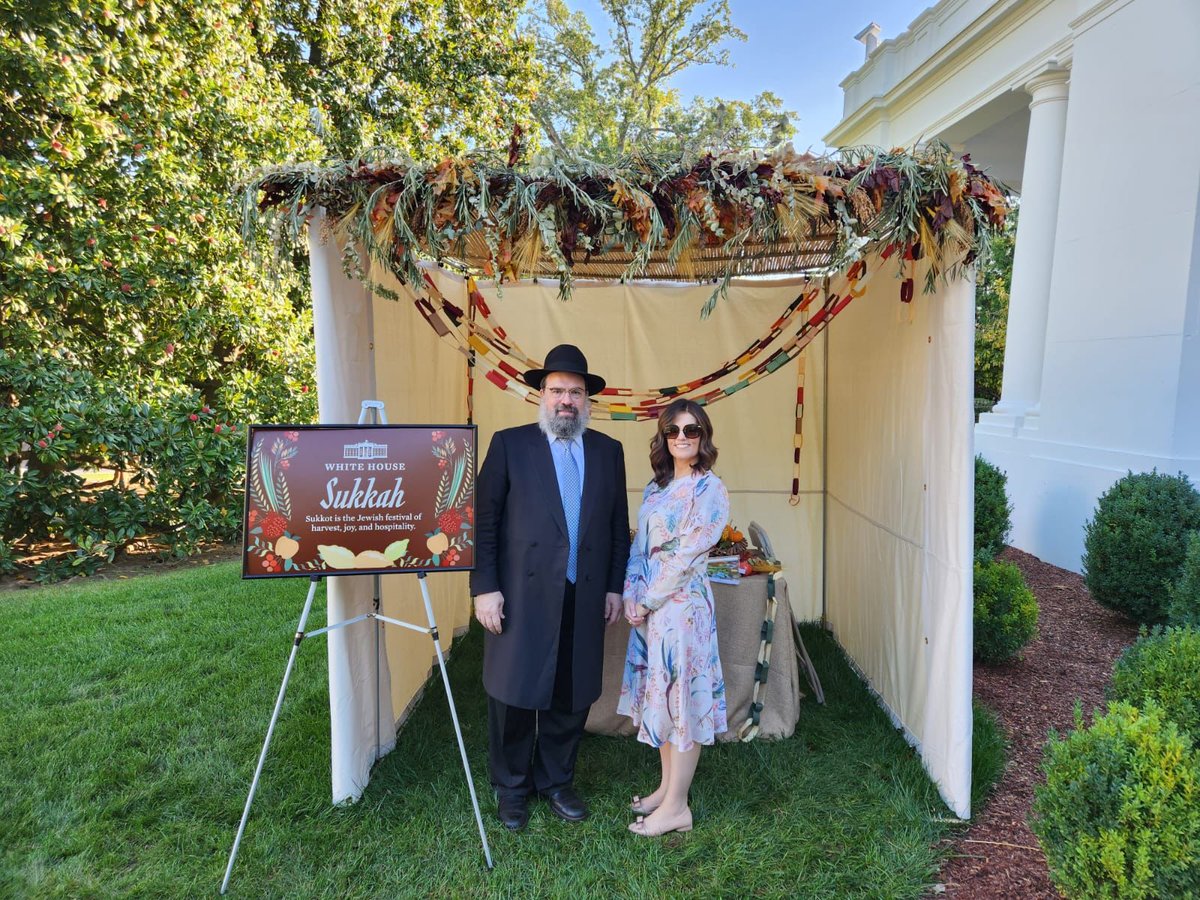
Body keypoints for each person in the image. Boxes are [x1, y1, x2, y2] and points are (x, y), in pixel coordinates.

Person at [471, 343, 631, 831]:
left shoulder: (608, 451)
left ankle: (556, 780)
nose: (567, 400)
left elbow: (617, 524)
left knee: (572, 692)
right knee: (514, 693)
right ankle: (512, 787)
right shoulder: (509, 445)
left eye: (576, 392)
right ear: (541, 394)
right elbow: (485, 523)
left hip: (583, 595)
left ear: (588, 401)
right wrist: (485, 587)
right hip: (520, 594)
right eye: (558, 390)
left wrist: (613, 586)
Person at [618, 398, 729, 837]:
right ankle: (666, 789)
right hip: (650, 611)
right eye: (674, 431)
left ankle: (678, 807)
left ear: (704, 437)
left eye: (692, 430)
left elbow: (686, 556)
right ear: (664, 437)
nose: (682, 438)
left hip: (683, 611)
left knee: (682, 700)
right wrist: (631, 593)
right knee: (662, 697)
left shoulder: (710, 490)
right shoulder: (655, 488)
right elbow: (639, 548)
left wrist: (648, 599)